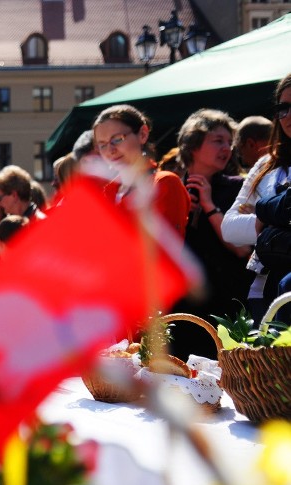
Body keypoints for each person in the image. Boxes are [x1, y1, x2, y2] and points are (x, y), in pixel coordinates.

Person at [175, 109, 253, 357]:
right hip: (180, 304)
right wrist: (181, 214)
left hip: (224, 302)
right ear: (192, 144)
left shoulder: (237, 187)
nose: (226, 148)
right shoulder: (171, 185)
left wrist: (209, 206)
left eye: (230, 142)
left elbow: (242, 249)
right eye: (218, 140)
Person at [222, 73, 291, 322]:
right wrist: (272, 217)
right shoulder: (266, 164)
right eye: (283, 108)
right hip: (264, 291)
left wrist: (261, 214)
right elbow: (228, 227)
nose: (289, 115)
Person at [92, 104, 190, 239]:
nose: (110, 150)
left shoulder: (164, 183)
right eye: (102, 145)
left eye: (117, 139)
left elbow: (164, 252)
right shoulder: (107, 191)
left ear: (143, 134)